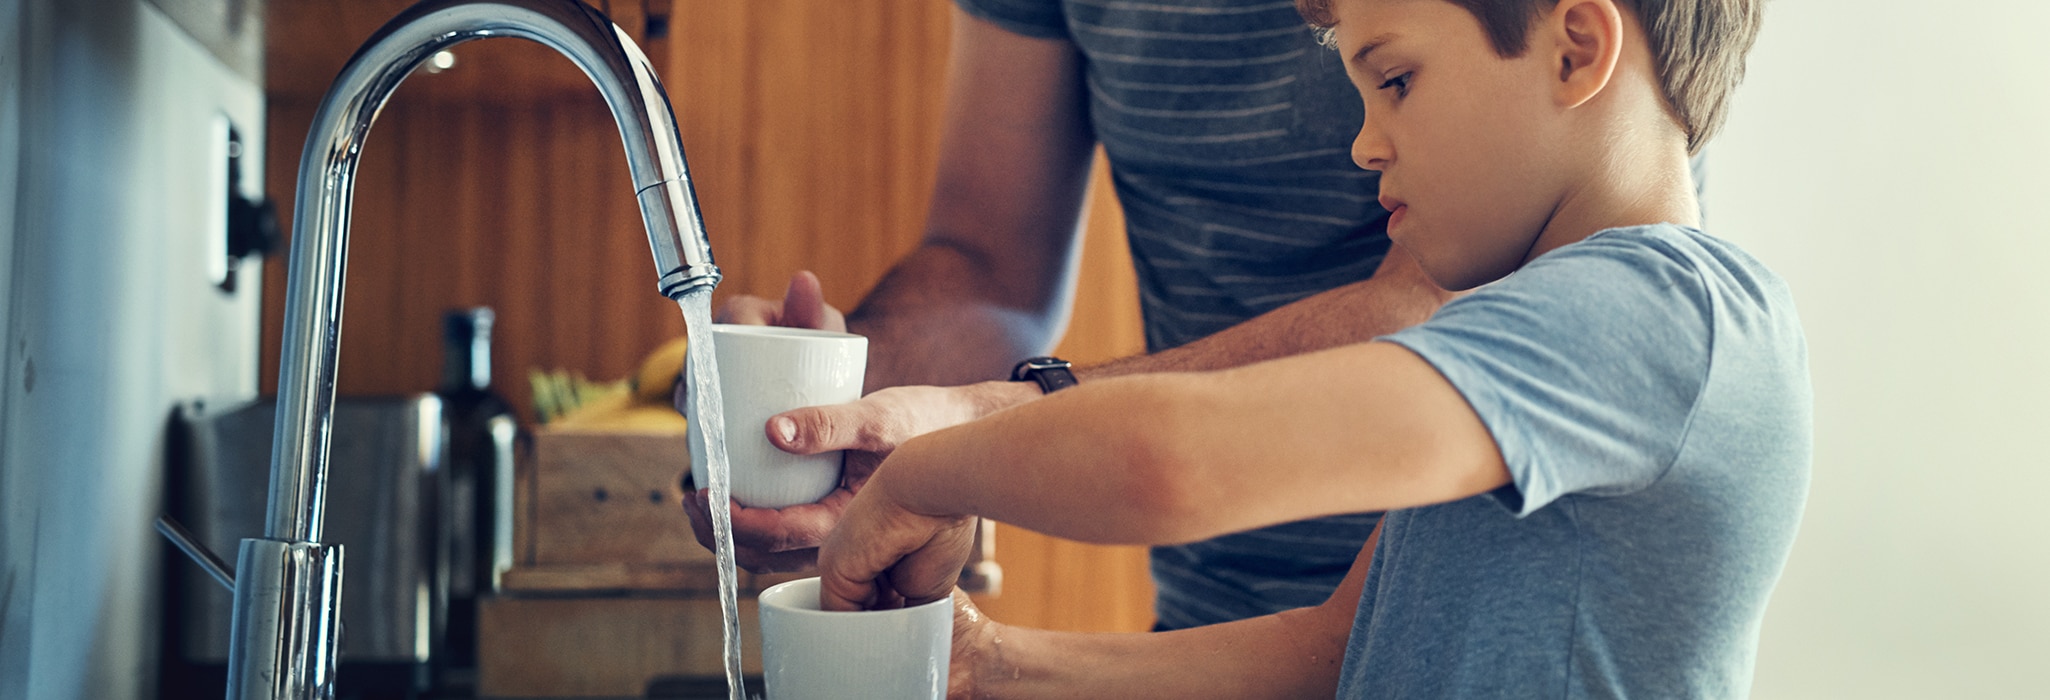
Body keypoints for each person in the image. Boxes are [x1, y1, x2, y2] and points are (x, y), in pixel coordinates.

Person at [813, 0, 1804, 695]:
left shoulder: (1655, 316)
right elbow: (1339, 650)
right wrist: (982, 667)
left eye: (1396, 80)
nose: (1364, 144)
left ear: (1574, 48)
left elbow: (1175, 459)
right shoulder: (1528, 336)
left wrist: (928, 474)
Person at [682, 0, 1459, 631]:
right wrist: (832, 397)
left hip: (1463, 614)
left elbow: (1433, 301)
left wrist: (968, 435)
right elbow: (992, 267)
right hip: (1208, 624)